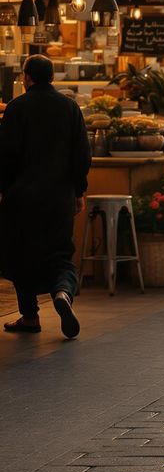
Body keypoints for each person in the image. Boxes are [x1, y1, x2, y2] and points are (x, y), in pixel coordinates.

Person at [0, 55, 90, 338]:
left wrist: (4, 188)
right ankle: (63, 292)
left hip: (22, 197)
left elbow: (5, 155)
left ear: (27, 77)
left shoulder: (16, 108)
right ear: (52, 77)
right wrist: (78, 191)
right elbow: (81, 155)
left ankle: (29, 317)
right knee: (61, 252)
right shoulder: (70, 107)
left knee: (21, 254)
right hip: (59, 197)